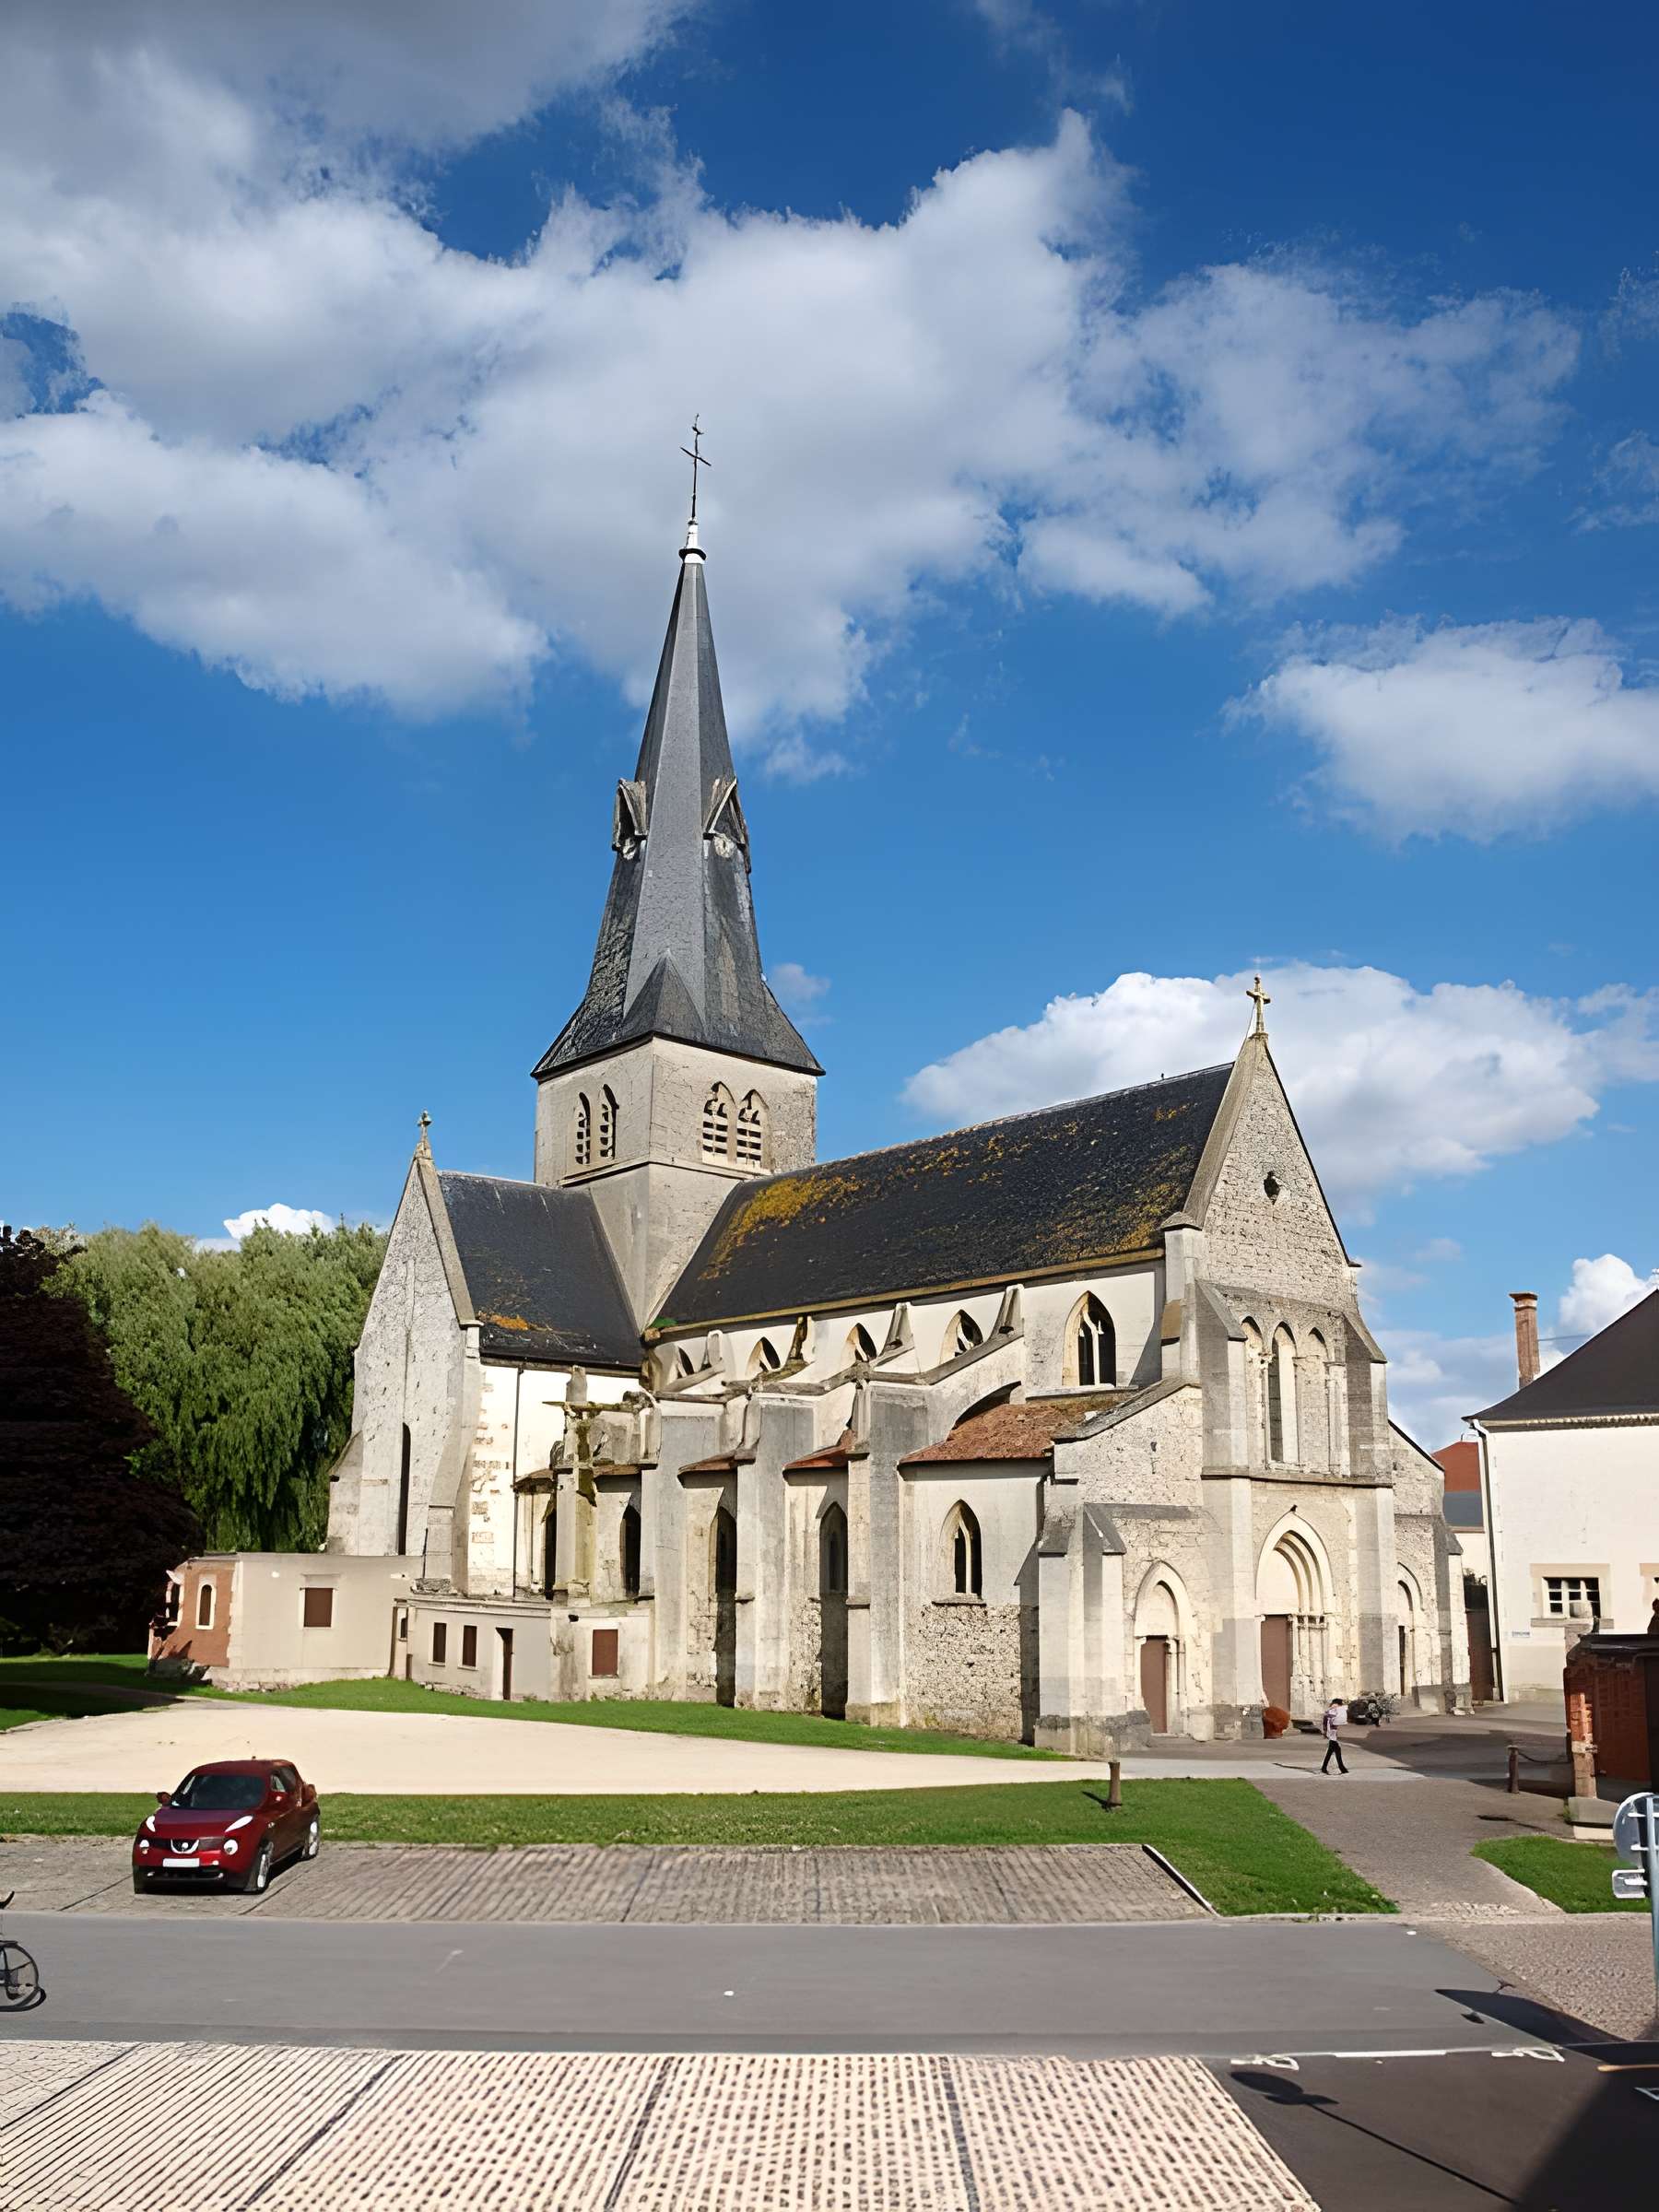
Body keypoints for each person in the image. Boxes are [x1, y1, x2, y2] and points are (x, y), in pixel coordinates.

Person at [1320, 1698, 1348, 1775]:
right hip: (1332, 1733)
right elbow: (1328, 1721)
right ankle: (1342, 1768)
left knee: (1332, 1750)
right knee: (1336, 1749)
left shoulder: (1334, 1710)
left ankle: (1325, 1767)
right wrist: (1325, 1731)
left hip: (1333, 1733)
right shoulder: (1332, 1710)